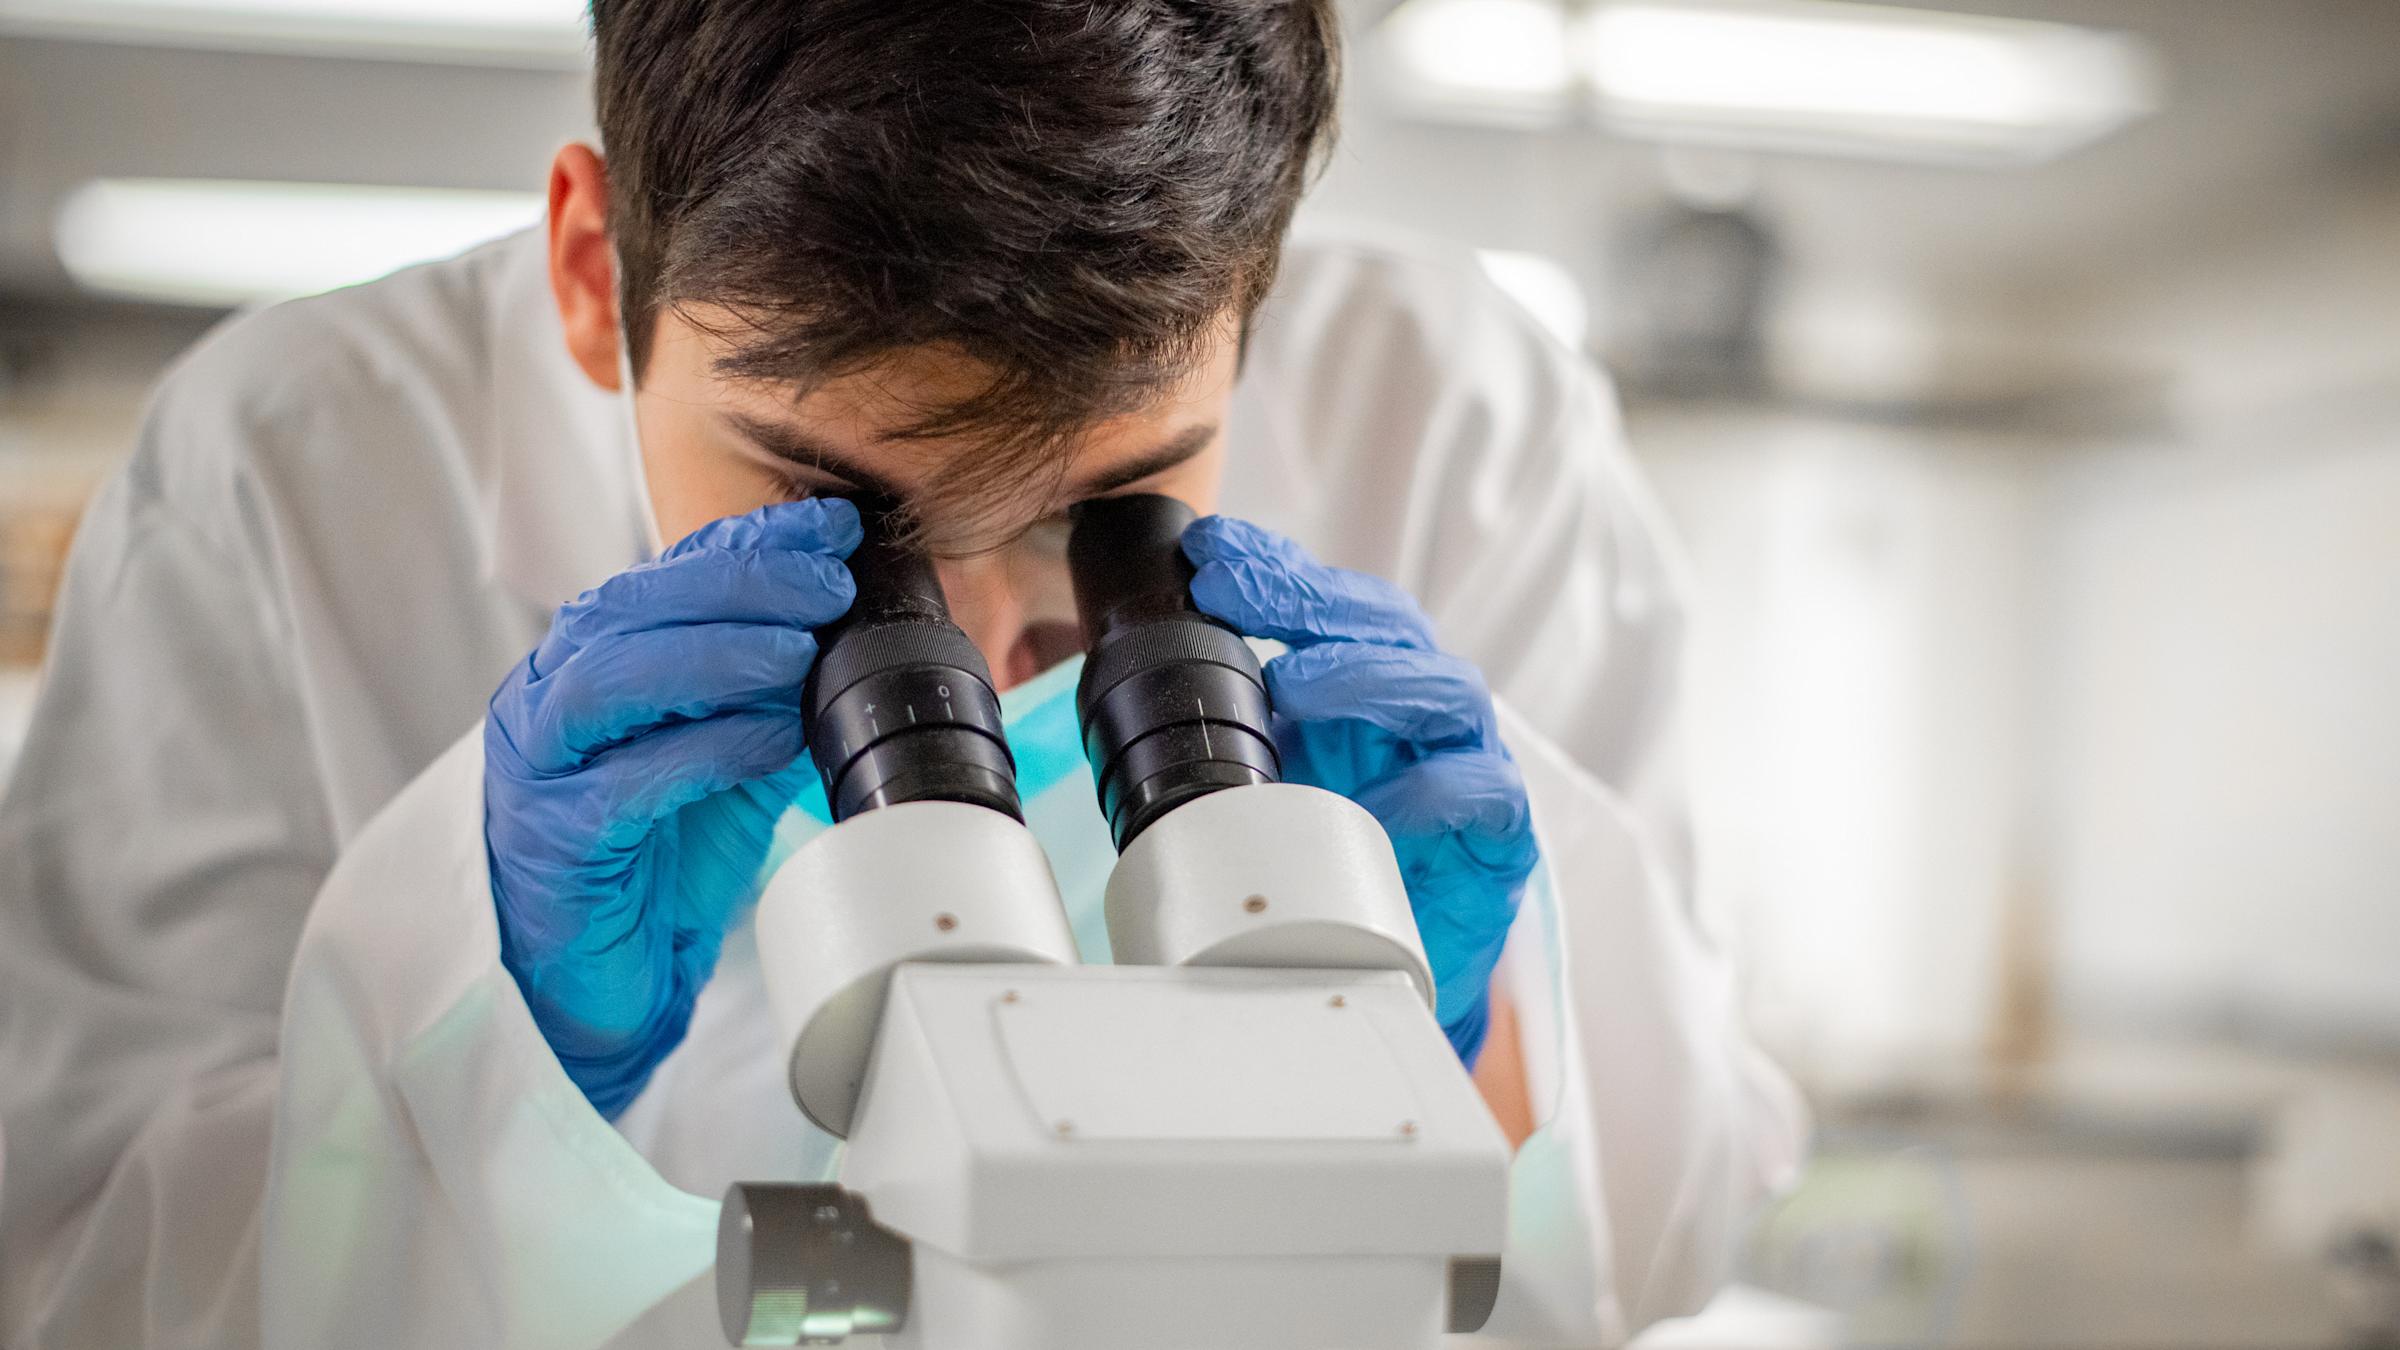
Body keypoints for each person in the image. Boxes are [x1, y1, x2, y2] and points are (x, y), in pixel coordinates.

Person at [0, 1, 1804, 1345]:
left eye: (1114, 506)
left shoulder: (1460, 423)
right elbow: (77, 1282)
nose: (987, 638)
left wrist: (1481, 1040)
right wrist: (477, 1048)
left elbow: (1686, 1206)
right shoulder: (288, 477)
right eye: (837, 508)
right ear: (587, 260)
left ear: (1259, 301)